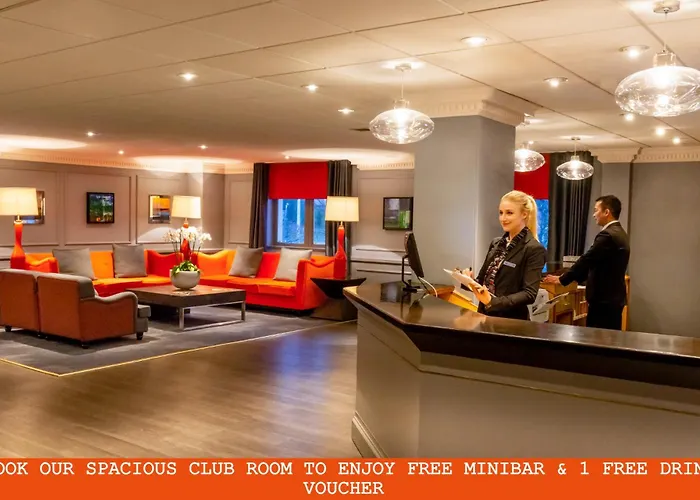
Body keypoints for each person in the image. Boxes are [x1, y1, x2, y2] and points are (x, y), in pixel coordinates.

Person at [543, 195, 630, 330]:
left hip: (603, 300)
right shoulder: (620, 233)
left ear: (606, 212)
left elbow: (587, 259)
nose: (594, 215)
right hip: (613, 298)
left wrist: (562, 279)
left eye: (596, 210)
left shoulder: (607, 235)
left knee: (598, 338)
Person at [465, 190, 547, 320]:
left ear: (524, 214)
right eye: (501, 213)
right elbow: (482, 281)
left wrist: (493, 302)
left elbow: (529, 294)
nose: (503, 218)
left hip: (511, 322)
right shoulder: (496, 243)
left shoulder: (534, 249)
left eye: (509, 213)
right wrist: (468, 281)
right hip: (484, 316)